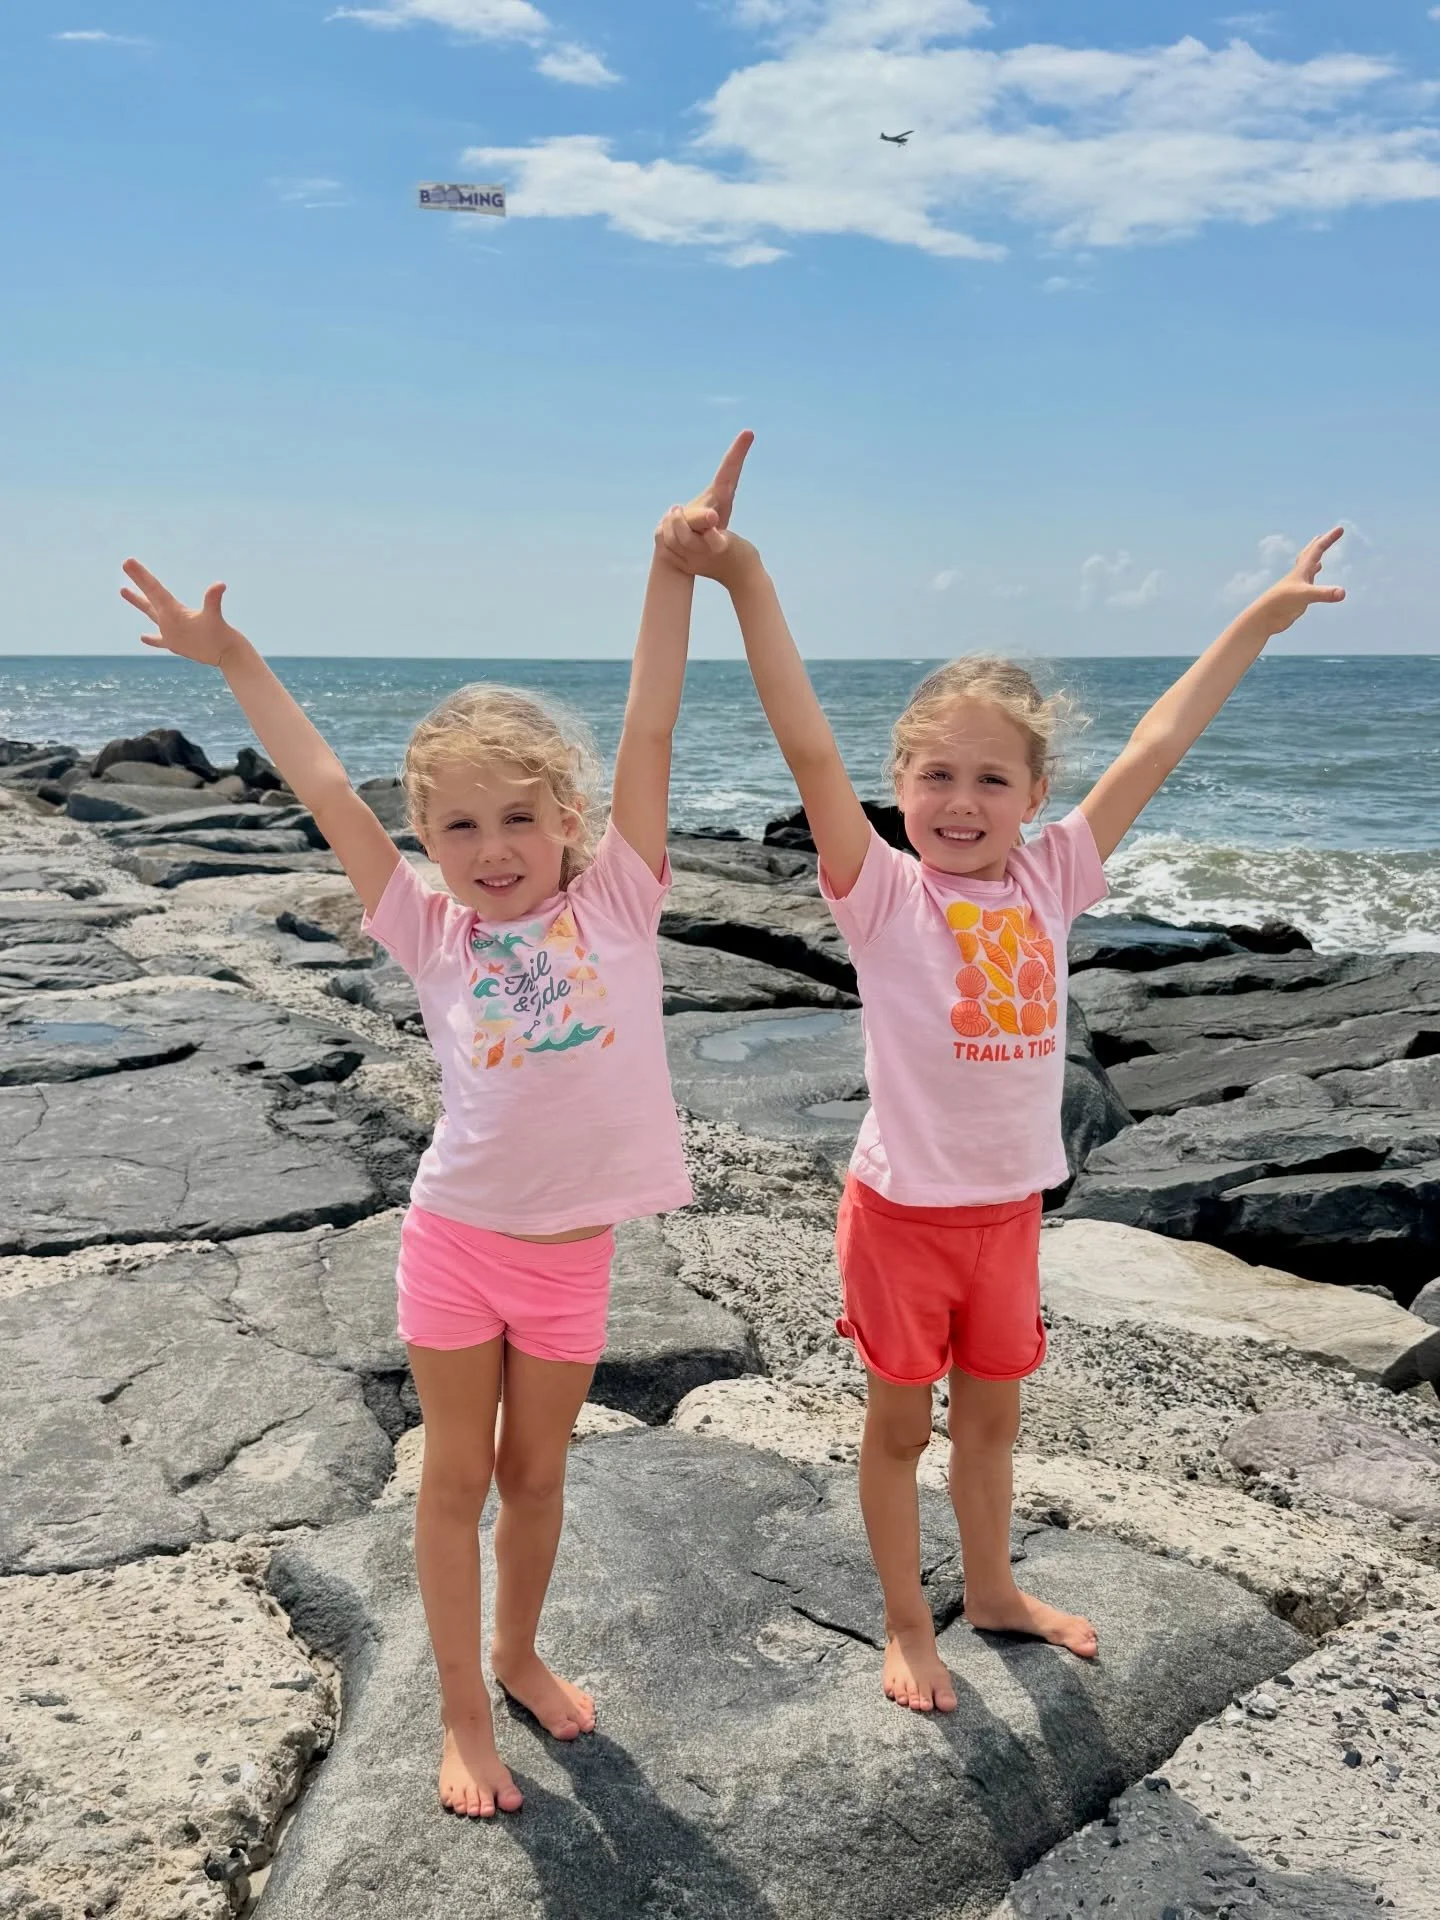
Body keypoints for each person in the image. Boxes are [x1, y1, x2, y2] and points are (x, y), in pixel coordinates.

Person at [119, 432, 753, 1817]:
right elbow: (328, 794)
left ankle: (519, 1651)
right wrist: (236, 666)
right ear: (432, 838)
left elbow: (649, 723)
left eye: (520, 817)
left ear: (568, 816)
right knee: (455, 1475)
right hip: (457, 1242)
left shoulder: (617, 902)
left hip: (572, 1257)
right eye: (460, 825)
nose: (493, 846)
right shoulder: (428, 926)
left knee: (538, 1476)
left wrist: (671, 573)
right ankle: (459, 1707)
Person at [660, 481, 1344, 1713]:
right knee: (900, 1432)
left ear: (1033, 797)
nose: (960, 802)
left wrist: (1256, 621)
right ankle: (908, 1625)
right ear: (900, 786)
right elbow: (805, 740)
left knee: (991, 1431)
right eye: (935, 776)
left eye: (989, 779)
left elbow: (1156, 747)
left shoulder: (1054, 878)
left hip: (1010, 1218)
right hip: (904, 1216)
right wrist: (743, 579)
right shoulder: (881, 894)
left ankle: (993, 1590)